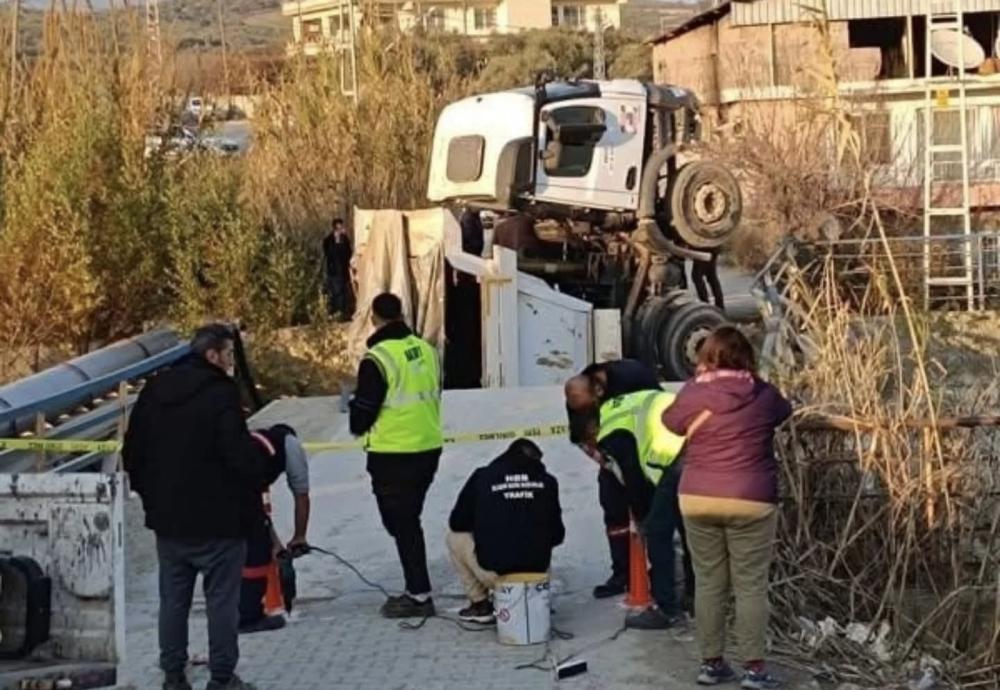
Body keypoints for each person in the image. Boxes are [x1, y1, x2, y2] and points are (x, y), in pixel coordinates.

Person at [123, 324, 262, 690]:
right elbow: (237, 455)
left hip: (169, 522)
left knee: (173, 601)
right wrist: (254, 491)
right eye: (230, 354)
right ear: (212, 355)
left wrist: (151, 499)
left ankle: (172, 675)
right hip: (220, 522)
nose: (233, 362)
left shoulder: (154, 390)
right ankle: (221, 678)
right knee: (221, 604)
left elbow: (132, 451)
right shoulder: (221, 394)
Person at [662, 326, 791, 689]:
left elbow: (670, 423)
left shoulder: (692, 392)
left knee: (708, 583)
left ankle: (711, 663)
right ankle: (754, 670)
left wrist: (699, 384)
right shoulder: (762, 394)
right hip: (751, 497)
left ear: (706, 357)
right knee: (750, 586)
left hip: (697, 496)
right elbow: (785, 411)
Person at [349, 292, 443, 619]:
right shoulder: (428, 351)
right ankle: (417, 588)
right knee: (408, 522)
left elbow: (363, 413)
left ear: (374, 318)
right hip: (428, 447)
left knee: (401, 524)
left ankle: (418, 594)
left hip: (393, 453)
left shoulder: (378, 358)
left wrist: (353, 416)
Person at [594, 385, 691, 630]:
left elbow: (632, 474)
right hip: (694, 454)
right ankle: (694, 596)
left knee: (658, 531)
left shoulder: (610, 431)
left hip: (674, 463)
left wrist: (640, 515)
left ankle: (666, 608)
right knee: (690, 530)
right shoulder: (626, 404)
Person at [564, 360, 661, 599]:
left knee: (650, 514)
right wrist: (604, 460)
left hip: (645, 452)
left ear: (598, 390)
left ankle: (661, 576)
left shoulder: (633, 378)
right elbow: (579, 433)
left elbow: (658, 415)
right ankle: (622, 573)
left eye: (591, 407)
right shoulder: (580, 392)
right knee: (612, 505)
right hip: (612, 453)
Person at [446, 439, 565, 623]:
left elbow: (457, 522)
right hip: (537, 575)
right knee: (541, 532)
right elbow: (557, 536)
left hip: (494, 574)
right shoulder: (548, 482)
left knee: (454, 538)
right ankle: (535, 599)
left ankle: (480, 603)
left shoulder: (482, 477)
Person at [238, 424, 311, 635]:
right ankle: (249, 616)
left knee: (255, 540)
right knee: (257, 549)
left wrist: (280, 542)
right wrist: (299, 537)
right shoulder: (289, 446)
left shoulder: (255, 444)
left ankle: (241, 607)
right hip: (243, 487)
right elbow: (301, 495)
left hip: (230, 487)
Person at [323, 217, 354, 321]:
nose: (340, 230)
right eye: (338, 228)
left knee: (344, 293)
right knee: (336, 293)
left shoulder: (345, 240)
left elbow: (349, 253)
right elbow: (328, 253)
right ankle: (337, 314)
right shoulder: (328, 240)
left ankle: (344, 314)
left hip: (344, 271)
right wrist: (336, 243)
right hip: (334, 272)